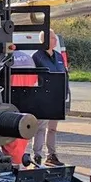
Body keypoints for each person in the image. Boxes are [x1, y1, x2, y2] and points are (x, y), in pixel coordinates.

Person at [27, 31, 67, 167]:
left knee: (52, 129)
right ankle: (37, 155)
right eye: (53, 38)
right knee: (40, 128)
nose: (55, 41)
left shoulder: (58, 56)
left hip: (57, 98)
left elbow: (64, 75)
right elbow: (32, 78)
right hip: (43, 98)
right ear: (44, 40)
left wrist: (65, 93)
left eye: (55, 38)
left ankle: (51, 156)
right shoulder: (36, 56)